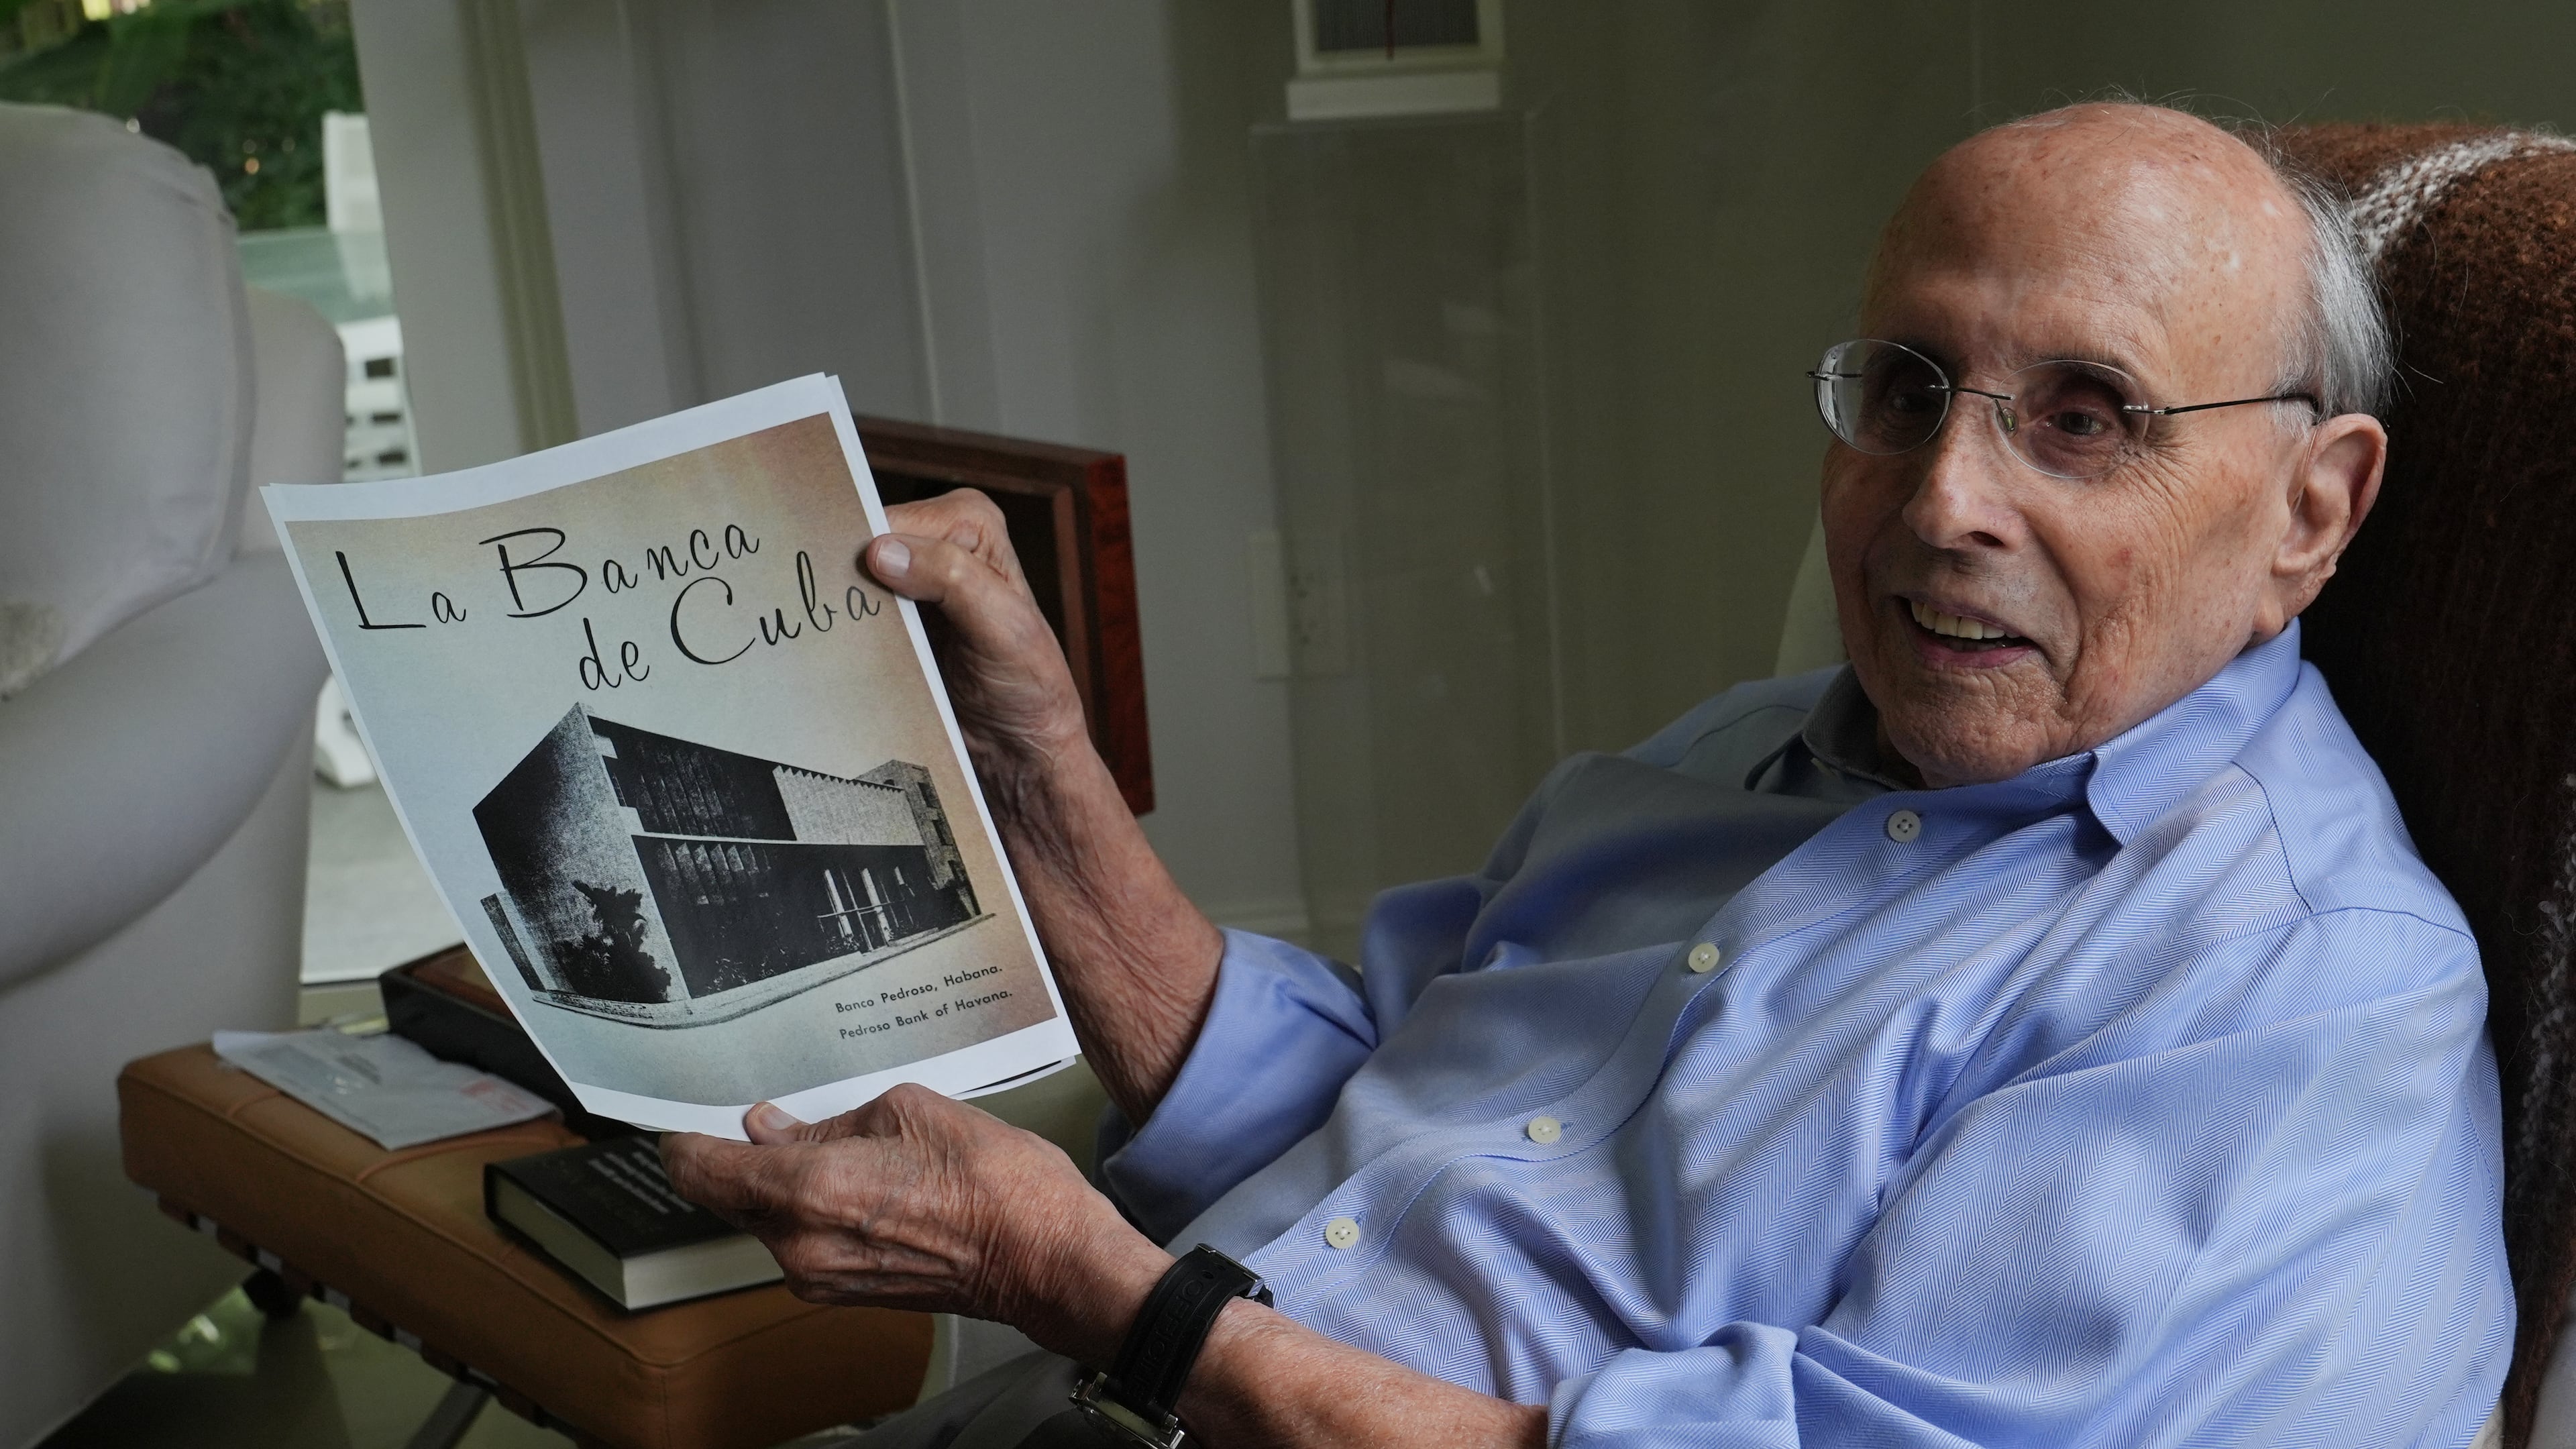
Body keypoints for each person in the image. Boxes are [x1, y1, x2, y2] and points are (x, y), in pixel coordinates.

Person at [662, 102, 2512, 1447]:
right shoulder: (1729, 757)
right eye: (1905, 391)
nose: (1946, 499)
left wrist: (1103, 1298)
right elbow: (1350, 1114)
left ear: (2311, 511)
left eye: (2085, 420)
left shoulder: (2289, 992)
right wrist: (1031, 767)